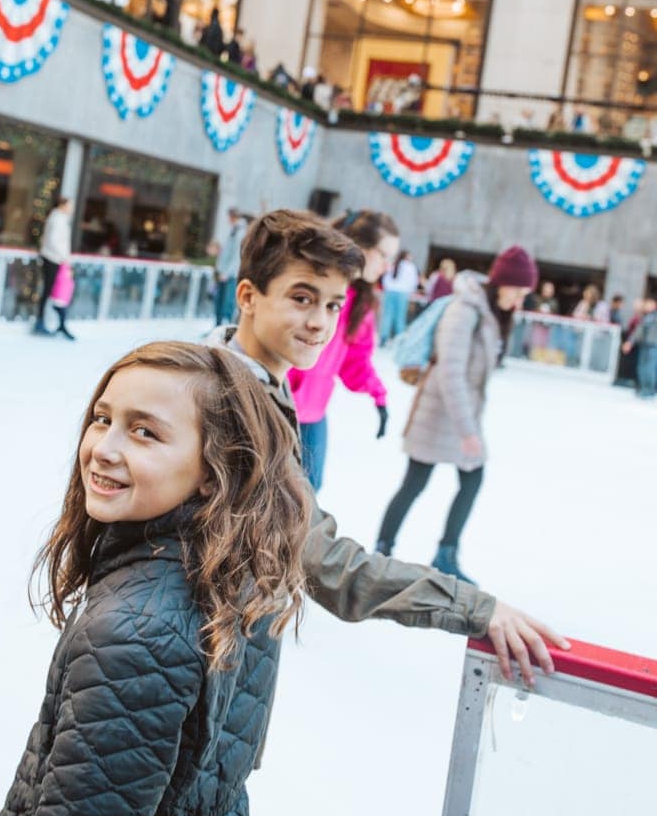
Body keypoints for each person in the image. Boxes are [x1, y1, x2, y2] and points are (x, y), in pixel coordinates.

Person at [211, 211, 567, 688]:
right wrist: (475, 609)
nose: (320, 322)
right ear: (249, 297)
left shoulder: (256, 385)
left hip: (226, 671)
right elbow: (330, 566)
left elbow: (353, 360)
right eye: (302, 299)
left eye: (334, 305)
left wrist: (376, 394)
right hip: (194, 674)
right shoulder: (226, 405)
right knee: (361, 498)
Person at [0, 342, 308, 816]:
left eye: (144, 432)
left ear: (213, 469)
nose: (103, 449)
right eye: (102, 419)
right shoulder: (238, 567)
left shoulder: (133, 639)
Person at [375, 246, 539, 584]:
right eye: (519, 292)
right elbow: (450, 372)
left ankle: (444, 553)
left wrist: (469, 426)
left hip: (461, 415)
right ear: (504, 284)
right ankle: (382, 553)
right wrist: (468, 431)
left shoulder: (488, 311)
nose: (520, 301)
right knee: (416, 481)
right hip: (438, 412)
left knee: (468, 478)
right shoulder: (464, 311)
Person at [287, 210, 398, 491]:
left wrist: (378, 395)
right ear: (358, 245)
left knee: (308, 496)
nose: (386, 266)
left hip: (313, 413)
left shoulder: (362, 301)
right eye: (382, 255)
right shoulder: (313, 283)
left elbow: (355, 362)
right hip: (277, 405)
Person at [34, 198, 74, 339]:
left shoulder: (59, 218)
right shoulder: (57, 219)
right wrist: (65, 258)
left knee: (56, 291)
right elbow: (54, 241)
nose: (71, 208)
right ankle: (41, 322)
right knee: (51, 291)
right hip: (53, 259)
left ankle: (59, 323)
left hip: (55, 259)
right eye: (70, 205)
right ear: (62, 205)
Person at [213, 208, 246, 326]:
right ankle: (218, 328)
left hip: (229, 275)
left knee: (227, 304)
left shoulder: (240, 231)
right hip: (224, 272)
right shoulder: (233, 230)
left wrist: (226, 272)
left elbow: (237, 255)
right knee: (219, 302)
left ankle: (225, 332)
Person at [381, 249, 419, 344]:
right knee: (400, 317)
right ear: (407, 256)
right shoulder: (410, 267)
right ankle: (399, 339)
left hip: (390, 292)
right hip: (402, 293)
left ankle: (384, 337)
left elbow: (385, 279)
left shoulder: (393, 265)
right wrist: (410, 292)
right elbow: (413, 282)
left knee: (387, 315)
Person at [623, 297, 657, 398]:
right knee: (642, 368)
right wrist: (630, 342)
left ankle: (649, 389)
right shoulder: (645, 316)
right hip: (644, 345)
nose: (646, 305)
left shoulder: (653, 316)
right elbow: (638, 331)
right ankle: (643, 388)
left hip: (654, 345)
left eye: (649, 304)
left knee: (649, 368)